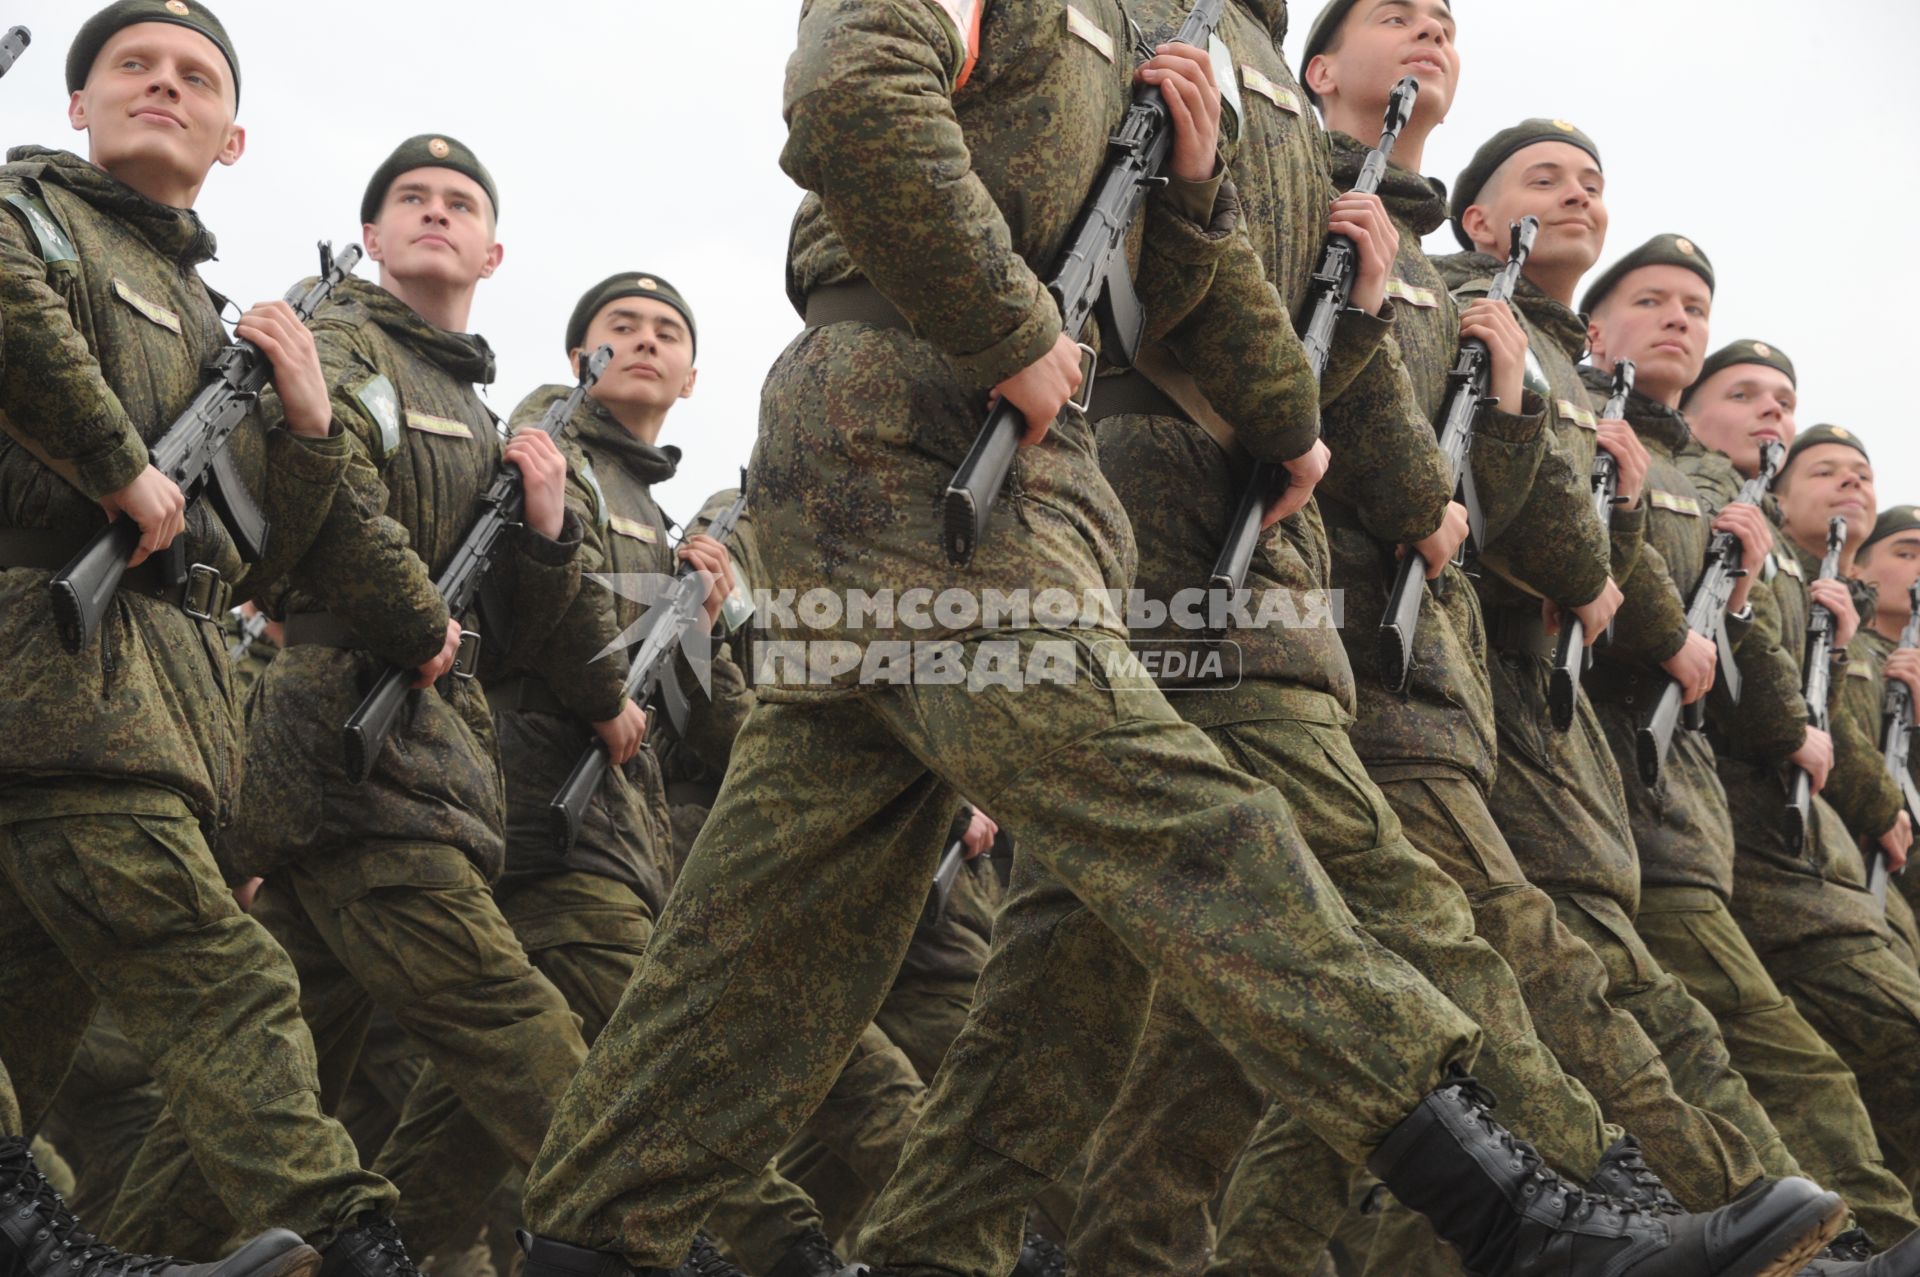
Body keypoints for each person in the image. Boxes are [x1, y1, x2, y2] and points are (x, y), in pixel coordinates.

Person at [512, 5, 1836, 1277]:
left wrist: (1253, 311)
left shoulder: (1155, 38)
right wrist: (1014, 324)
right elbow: (852, 97)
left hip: (1019, 477)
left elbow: (1185, 278)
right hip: (905, 444)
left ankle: (598, 1234)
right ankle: (1511, 1213)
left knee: (772, 929)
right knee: (1196, 827)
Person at [103, 132, 590, 1266]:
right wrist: (423, 624)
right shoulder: (341, 341)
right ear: (368, 236)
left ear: (494, 247)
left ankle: (120, 1252)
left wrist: (553, 533)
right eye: (409, 199)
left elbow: (524, 638)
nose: (434, 212)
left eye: (458, 201)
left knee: (273, 1072)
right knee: (515, 1024)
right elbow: (325, 516)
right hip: (351, 751)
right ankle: (641, 1227)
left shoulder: (478, 410)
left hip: (422, 757)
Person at [0, 4, 423, 1274]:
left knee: (31, 1032)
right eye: (133, 67)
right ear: (77, 105)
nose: (163, 87)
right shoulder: (26, 216)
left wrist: (303, 427)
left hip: (165, 714)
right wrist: (118, 465)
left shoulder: (218, 321)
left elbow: (272, 562)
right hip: (57, 677)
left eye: (196, 78)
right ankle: (357, 1236)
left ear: (234, 139)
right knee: (217, 976)